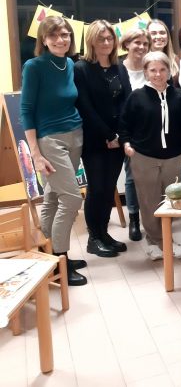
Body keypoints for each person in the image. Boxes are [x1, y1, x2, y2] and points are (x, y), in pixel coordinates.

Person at [20, 16, 86, 286]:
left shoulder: (69, 63)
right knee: (71, 199)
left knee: (53, 197)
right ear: (44, 40)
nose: (60, 40)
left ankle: (47, 254)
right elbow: (26, 110)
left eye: (65, 35)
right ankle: (61, 259)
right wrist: (36, 154)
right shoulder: (34, 66)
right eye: (54, 35)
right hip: (49, 140)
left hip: (75, 135)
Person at [119, 51, 181, 261]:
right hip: (144, 156)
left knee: (171, 201)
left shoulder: (180, 96)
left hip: (174, 157)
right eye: (153, 70)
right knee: (149, 201)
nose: (158, 74)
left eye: (162, 69)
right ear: (146, 72)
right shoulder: (137, 96)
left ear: (169, 71)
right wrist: (126, 143)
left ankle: (165, 239)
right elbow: (124, 124)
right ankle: (155, 241)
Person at [74, 20, 131, 258]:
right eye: (101, 38)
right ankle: (93, 238)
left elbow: (127, 101)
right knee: (96, 188)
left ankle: (104, 233)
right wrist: (108, 135)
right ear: (91, 41)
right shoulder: (81, 68)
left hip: (117, 139)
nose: (106, 42)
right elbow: (85, 107)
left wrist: (121, 136)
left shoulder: (120, 67)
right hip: (95, 139)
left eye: (109, 38)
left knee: (109, 189)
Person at [120, 28, 149, 241]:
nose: (141, 47)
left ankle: (154, 219)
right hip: (129, 132)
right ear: (127, 44)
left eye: (145, 43)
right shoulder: (119, 69)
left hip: (151, 131)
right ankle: (134, 220)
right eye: (137, 42)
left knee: (153, 178)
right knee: (132, 178)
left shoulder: (151, 67)